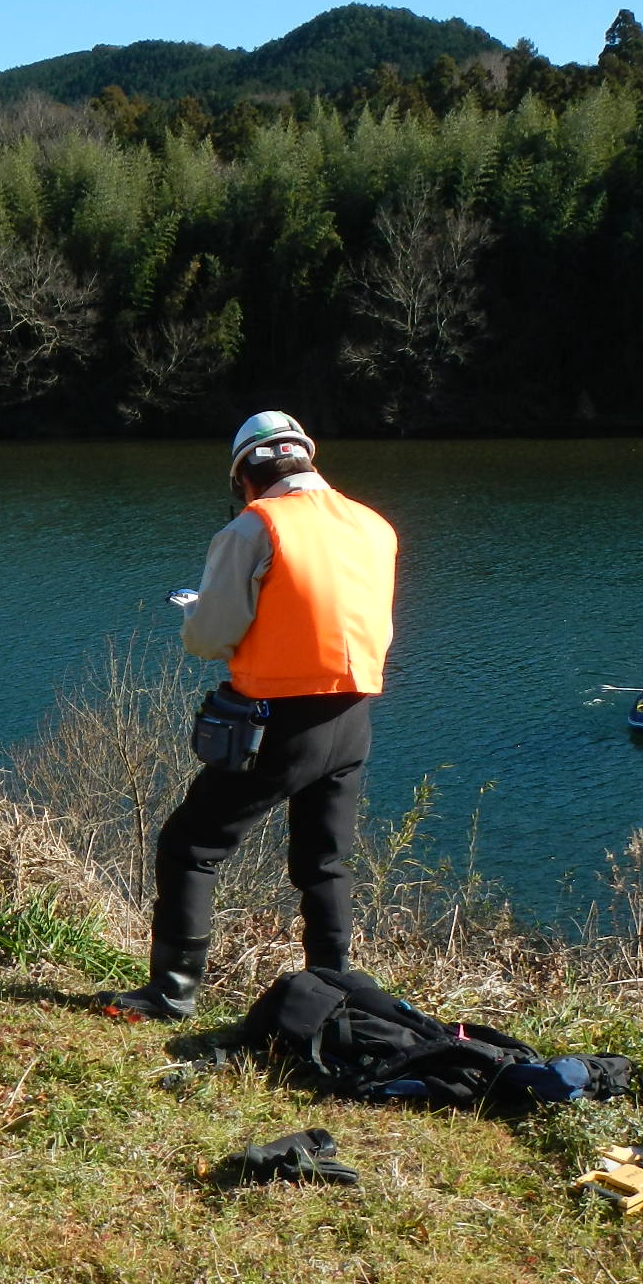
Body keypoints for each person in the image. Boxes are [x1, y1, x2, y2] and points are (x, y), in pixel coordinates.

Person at [94, 411, 398, 1020]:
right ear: (307, 462)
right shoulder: (374, 524)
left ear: (246, 477)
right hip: (354, 715)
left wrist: (196, 610)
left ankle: (173, 991)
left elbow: (210, 637)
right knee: (323, 860)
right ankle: (334, 993)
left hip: (279, 719)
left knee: (192, 844)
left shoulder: (254, 527)